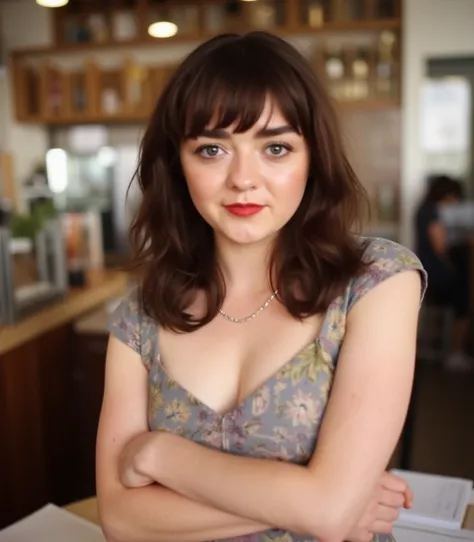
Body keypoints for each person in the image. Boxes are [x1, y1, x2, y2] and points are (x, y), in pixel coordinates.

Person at [96, 32, 426, 542]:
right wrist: (313, 500)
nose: (244, 179)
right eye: (211, 149)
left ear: (313, 157)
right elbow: (119, 519)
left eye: (275, 147)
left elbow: (330, 510)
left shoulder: (377, 282)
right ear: (177, 165)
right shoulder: (140, 314)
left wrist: (161, 455)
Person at [415, 174, 472, 371]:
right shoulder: (431, 213)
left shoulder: (424, 210)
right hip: (436, 275)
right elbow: (440, 245)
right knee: (464, 301)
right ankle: (455, 353)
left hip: (428, 272)